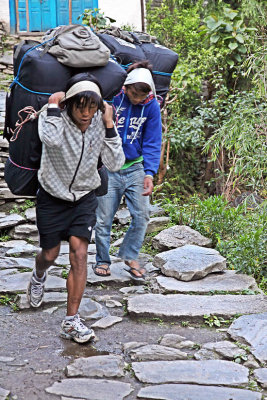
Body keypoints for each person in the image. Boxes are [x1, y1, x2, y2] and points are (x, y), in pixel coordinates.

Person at [27, 73, 125, 343]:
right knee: (49, 253)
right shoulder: (54, 114)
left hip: (84, 196)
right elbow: (51, 140)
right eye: (80, 106)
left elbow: (116, 163)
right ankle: (39, 274)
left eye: (92, 107)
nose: (86, 113)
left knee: (79, 254)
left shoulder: (99, 122)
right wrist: (53, 107)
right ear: (70, 103)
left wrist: (108, 124)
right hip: (52, 195)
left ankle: (71, 321)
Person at [94, 60, 162, 281]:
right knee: (104, 219)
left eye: (142, 96)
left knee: (142, 215)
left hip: (135, 167)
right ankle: (102, 260)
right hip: (107, 168)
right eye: (134, 94)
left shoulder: (151, 106)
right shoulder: (113, 98)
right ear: (126, 87)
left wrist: (150, 173)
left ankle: (129, 255)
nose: (138, 99)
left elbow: (153, 141)